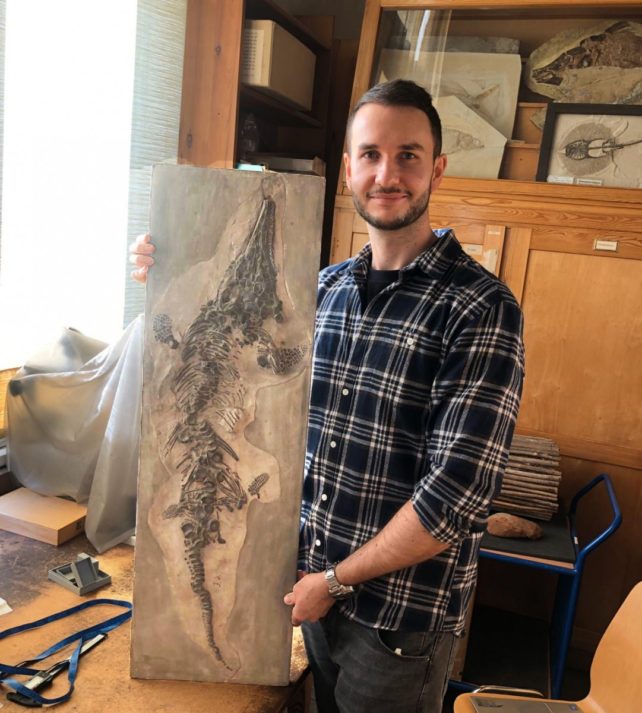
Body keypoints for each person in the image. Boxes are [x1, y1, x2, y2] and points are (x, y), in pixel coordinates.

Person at [130, 79, 524, 713]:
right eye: (370, 154)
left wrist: (335, 583)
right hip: (306, 593)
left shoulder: (480, 307)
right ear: (347, 169)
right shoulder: (324, 291)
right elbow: (265, 401)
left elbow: (457, 498)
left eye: (408, 156)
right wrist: (169, 275)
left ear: (437, 169)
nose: (387, 173)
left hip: (396, 622)